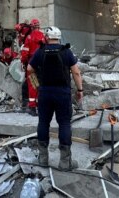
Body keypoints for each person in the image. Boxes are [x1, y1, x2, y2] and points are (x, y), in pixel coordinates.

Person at [27, 26, 82, 171]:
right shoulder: (66, 51)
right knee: (64, 124)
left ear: (47, 37)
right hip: (63, 94)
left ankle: (43, 159)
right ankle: (65, 162)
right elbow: (76, 72)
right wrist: (80, 90)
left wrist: (37, 85)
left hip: (45, 93)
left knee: (43, 122)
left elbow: (29, 70)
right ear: (59, 37)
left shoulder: (40, 51)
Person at [21, 19, 45, 115]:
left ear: (31, 26)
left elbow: (25, 53)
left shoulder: (29, 37)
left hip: (32, 64)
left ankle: (32, 107)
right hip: (42, 64)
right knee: (40, 85)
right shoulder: (43, 36)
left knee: (33, 85)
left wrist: (24, 62)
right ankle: (40, 106)